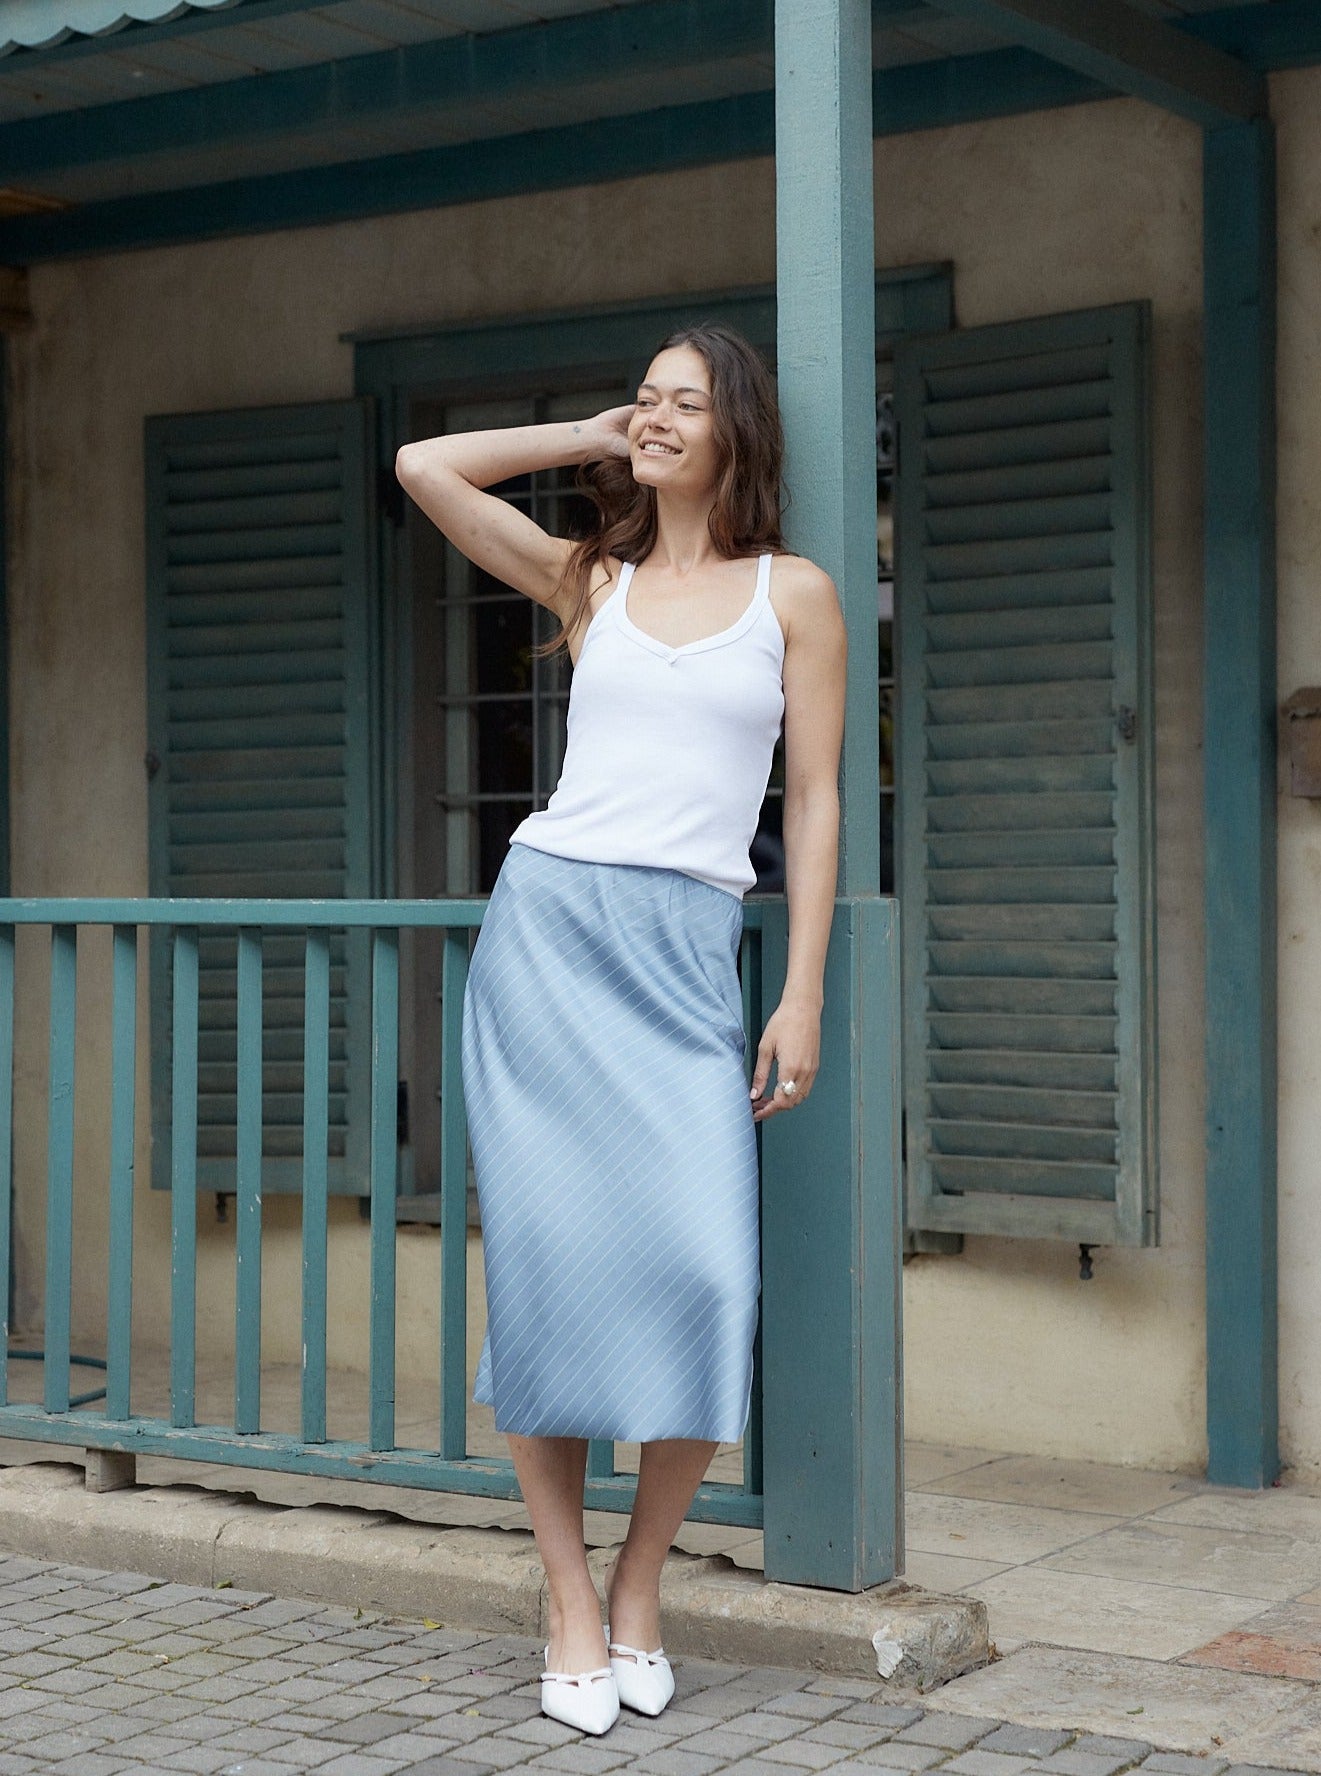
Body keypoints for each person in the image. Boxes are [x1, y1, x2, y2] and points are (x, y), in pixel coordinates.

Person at [395, 323, 846, 1736]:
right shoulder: (588, 576)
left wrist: (801, 988)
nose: (654, 418)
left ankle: (641, 1581)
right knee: (544, 1280)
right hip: (547, 938)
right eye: (642, 399)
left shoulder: (797, 597)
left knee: (704, 1279)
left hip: (685, 953)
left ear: (738, 431)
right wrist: (585, 440)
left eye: (681, 402)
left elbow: (817, 801)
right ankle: (569, 1596)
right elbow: (424, 464)